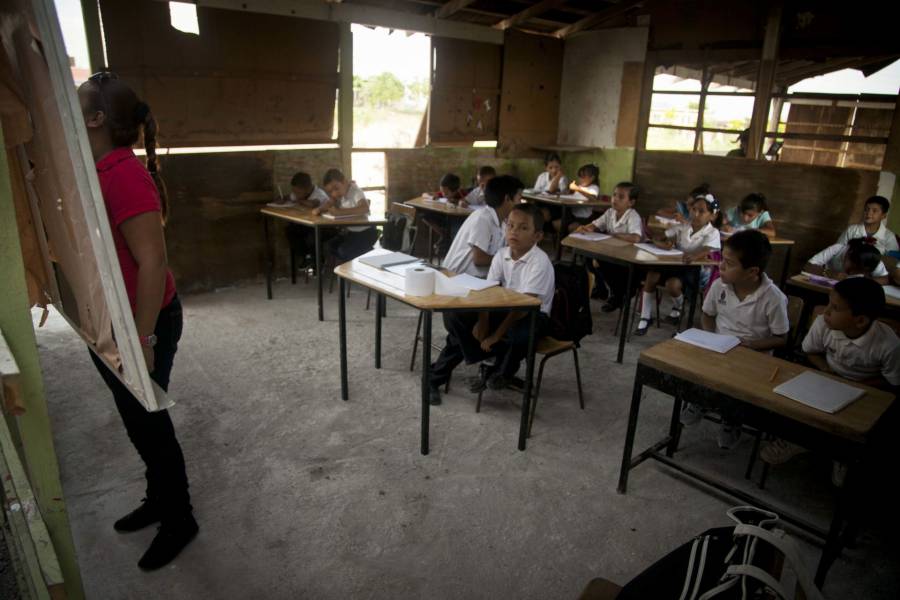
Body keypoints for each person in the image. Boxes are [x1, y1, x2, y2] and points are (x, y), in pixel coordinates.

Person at [78, 71, 196, 570]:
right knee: (137, 421)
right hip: (117, 319)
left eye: (78, 100)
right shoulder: (98, 169)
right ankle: (158, 499)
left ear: (97, 118)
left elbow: (152, 261)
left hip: (144, 322)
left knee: (150, 422)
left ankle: (180, 518)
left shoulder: (124, 173)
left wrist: (142, 337)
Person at [761, 278, 900, 483]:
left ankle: (842, 456)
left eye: (834, 308)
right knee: (797, 407)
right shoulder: (823, 324)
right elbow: (811, 352)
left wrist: (856, 387)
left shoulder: (888, 344)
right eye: (828, 303)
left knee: (854, 426)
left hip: (867, 391)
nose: (825, 312)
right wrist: (826, 370)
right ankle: (797, 441)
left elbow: (892, 383)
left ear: (860, 320)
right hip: (828, 378)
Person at [429, 203, 554, 404]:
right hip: (504, 307)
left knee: (518, 335)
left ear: (537, 236)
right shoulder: (501, 254)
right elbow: (489, 291)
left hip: (533, 314)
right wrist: (483, 321)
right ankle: (483, 362)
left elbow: (523, 308)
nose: (514, 232)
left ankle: (497, 373)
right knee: (456, 314)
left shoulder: (539, 262)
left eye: (523, 228)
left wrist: (495, 335)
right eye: (510, 225)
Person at [692, 230, 789, 448]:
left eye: (729, 263)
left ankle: (731, 419)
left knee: (735, 385)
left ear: (752, 271)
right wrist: (710, 336)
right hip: (719, 347)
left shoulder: (773, 298)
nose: (721, 267)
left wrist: (752, 345)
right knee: (692, 365)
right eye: (722, 260)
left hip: (754, 357)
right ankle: (699, 400)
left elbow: (781, 338)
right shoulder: (720, 285)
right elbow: (707, 314)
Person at [636, 194, 722, 335]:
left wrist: (694, 256)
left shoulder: (713, 232)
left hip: (695, 272)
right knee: (651, 275)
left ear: (712, 216)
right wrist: (663, 243)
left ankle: (680, 306)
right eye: (693, 209)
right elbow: (661, 237)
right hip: (675, 265)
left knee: (672, 285)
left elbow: (708, 250)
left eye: (701, 211)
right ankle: (645, 317)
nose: (695, 213)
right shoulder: (683, 226)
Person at [574, 182, 643, 309]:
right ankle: (601, 289)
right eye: (614, 195)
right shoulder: (610, 212)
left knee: (600, 261)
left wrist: (613, 235)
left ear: (631, 203)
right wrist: (585, 228)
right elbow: (595, 224)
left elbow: (636, 237)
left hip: (626, 258)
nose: (615, 199)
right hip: (611, 252)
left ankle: (617, 295)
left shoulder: (633, 216)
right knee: (587, 256)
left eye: (621, 197)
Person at [441, 175, 520, 278]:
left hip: (475, 280)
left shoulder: (503, 223)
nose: (520, 203)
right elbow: (479, 259)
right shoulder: (483, 218)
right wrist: (509, 259)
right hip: (456, 278)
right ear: (507, 199)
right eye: (520, 198)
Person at [315, 169, 378, 262]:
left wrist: (340, 212)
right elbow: (329, 203)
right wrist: (319, 209)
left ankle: (350, 271)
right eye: (330, 191)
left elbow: (365, 208)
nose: (334, 193)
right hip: (350, 233)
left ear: (344, 182)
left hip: (365, 233)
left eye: (336, 188)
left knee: (344, 251)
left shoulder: (356, 191)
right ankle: (343, 270)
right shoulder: (340, 194)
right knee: (330, 246)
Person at [283, 172, 330, 270]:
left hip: (325, 226)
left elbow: (313, 204)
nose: (296, 194)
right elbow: (289, 197)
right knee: (291, 230)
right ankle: (307, 257)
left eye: (298, 192)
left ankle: (318, 262)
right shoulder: (298, 194)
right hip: (308, 224)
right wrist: (283, 199)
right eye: (294, 191)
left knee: (312, 236)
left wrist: (297, 200)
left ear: (308, 188)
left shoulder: (319, 194)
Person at [804, 237, 889, 284]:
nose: (851, 273)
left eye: (858, 271)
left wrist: (864, 282)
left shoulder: (872, 260)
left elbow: (885, 279)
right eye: (851, 269)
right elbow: (808, 266)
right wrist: (830, 273)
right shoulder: (838, 249)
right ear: (848, 254)